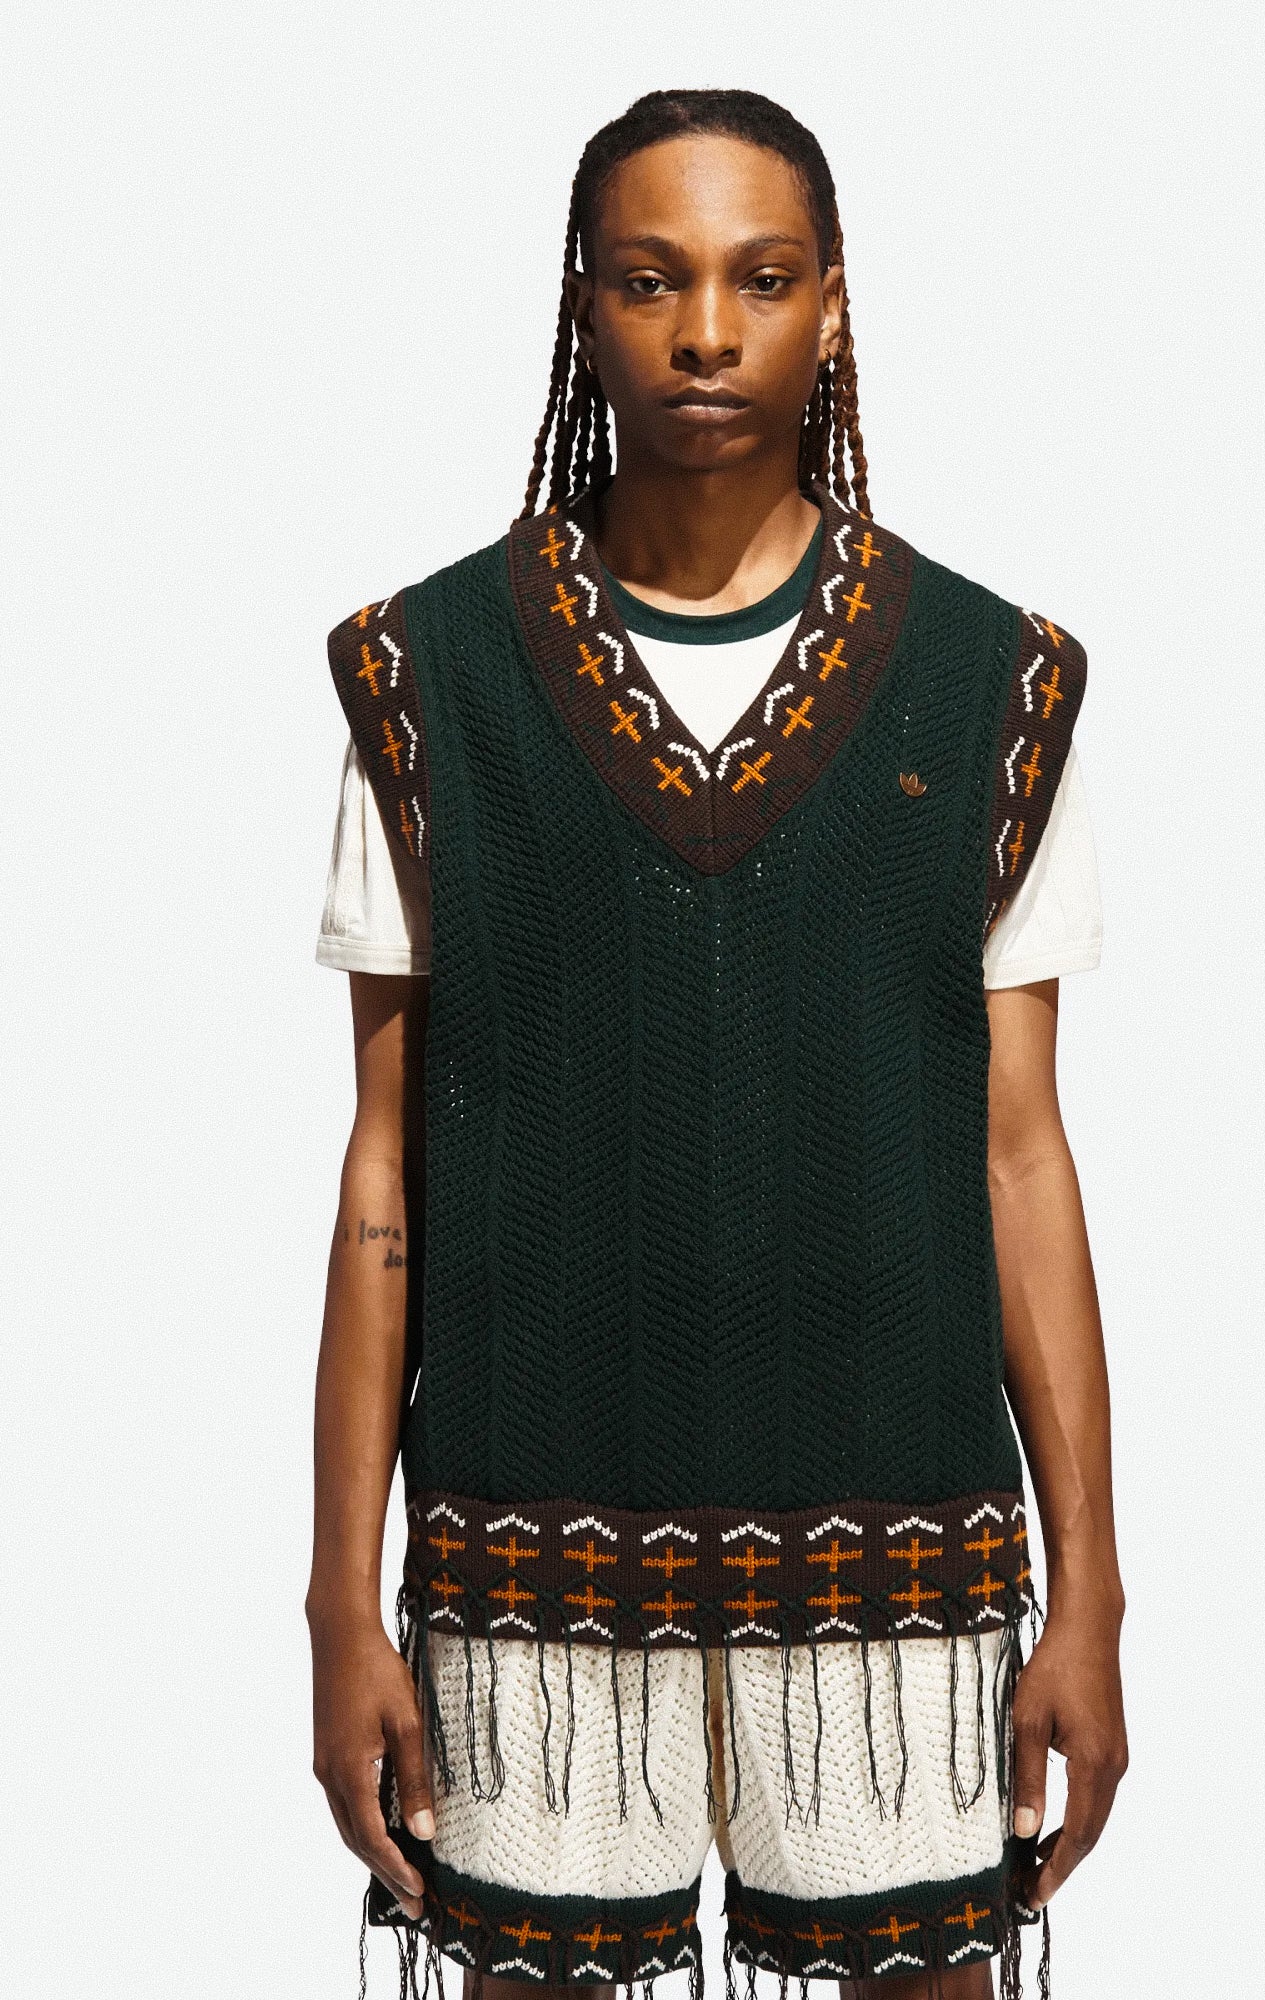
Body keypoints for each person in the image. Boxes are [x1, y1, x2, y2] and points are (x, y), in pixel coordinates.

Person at [307, 88, 1125, 2000]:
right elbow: (383, 1170)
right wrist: (341, 1599)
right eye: (650, 279)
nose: (703, 334)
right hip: (526, 1548)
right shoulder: (430, 681)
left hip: (897, 1554)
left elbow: (1018, 1152)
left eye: (760, 280)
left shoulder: (991, 684)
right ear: (584, 305)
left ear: (831, 305)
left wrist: (1089, 1586)